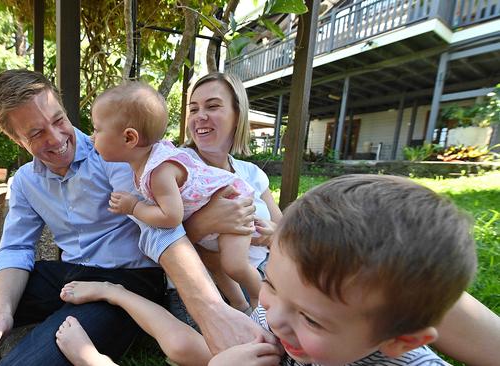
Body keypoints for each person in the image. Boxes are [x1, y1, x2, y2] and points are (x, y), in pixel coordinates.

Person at [0, 69, 273, 366]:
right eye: (35, 133)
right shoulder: (27, 182)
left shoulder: (115, 152)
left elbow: (157, 229)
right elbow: (15, 250)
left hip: (129, 278)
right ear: (15, 138)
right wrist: (2, 311)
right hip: (69, 273)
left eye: (58, 119)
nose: (57, 138)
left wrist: (209, 308)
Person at [169, 72, 500, 365]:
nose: (200, 116)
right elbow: (155, 237)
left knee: (396, 263)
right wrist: (205, 225)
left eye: (212, 106)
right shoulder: (173, 168)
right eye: (194, 108)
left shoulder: (251, 173)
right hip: (226, 281)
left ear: (237, 114)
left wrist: (269, 235)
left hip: (279, 272)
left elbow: (285, 231)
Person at [55, 174, 476, 366]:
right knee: (189, 349)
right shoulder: (282, 324)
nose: (273, 317)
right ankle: (116, 292)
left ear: (401, 341)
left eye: (311, 317)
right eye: (271, 283)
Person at [90, 81, 262, 311]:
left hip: (232, 199)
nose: (92, 137)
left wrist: (134, 207)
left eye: (97, 129)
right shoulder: (146, 162)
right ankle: (241, 306)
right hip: (213, 216)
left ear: (130, 138)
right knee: (215, 261)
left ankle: (261, 301)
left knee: (234, 264)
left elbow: (171, 217)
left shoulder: (159, 171)